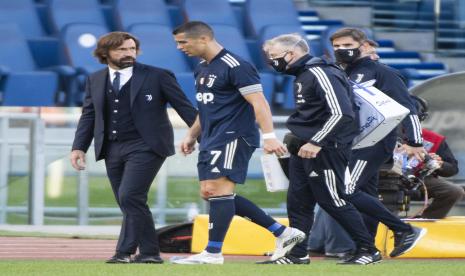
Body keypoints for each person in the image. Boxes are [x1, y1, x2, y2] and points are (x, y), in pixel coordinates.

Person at [170, 21, 305, 265]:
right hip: (211, 137)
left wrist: (269, 136)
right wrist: (191, 134)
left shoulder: (236, 66)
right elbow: (206, 107)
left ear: (203, 39)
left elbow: (259, 102)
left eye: (183, 42)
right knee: (210, 193)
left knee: (216, 190)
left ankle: (212, 253)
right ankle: (283, 233)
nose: (180, 48)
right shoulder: (202, 68)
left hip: (233, 135)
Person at [70, 32, 197, 264]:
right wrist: (79, 147)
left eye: (132, 49)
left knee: (130, 196)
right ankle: (139, 253)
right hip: (111, 147)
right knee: (128, 201)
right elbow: (89, 114)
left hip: (147, 145)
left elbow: (185, 108)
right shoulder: (95, 79)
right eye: (122, 50)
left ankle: (134, 252)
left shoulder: (158, 76)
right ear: (105, 53)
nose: (129, 54)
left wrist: (198, 135)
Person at [261, 33, 382, 265]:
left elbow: (341, 113)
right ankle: (297, 253)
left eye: (275, 57)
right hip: (302, 148)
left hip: (324, 148)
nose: (272, 62)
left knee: (332, 200)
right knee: (298, 201)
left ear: (292, 53)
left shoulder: (320, 72)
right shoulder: (303, 74)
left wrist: (317, 141)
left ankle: (369, 249)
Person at [329, 27, 428, 258]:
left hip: (374, 140)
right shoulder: (346, 72)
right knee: (367, 193)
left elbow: (408, 107)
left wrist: (415, 141)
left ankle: (404, 230)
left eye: (346, 46)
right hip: (356, 141)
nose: (341, 50)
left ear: (362, 46)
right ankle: (367, 249)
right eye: (336, 47)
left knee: (346, 189)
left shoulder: (382, 72)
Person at [410, 96, 464, 219]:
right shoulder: (386, 133)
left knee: (454, 191)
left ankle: (424, 220)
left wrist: (439, 164)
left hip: (418, 179)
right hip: (384, 178)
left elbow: (452, 169)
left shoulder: (433, 139)